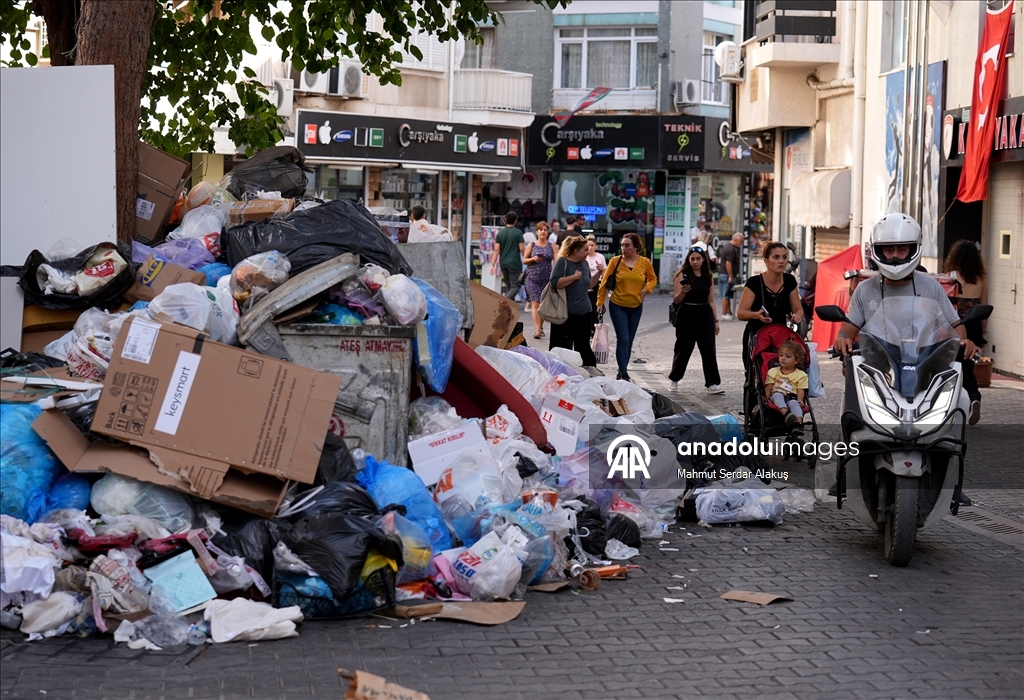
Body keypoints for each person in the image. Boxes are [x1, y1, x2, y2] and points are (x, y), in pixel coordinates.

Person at [833, 214, 979, 505]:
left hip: (925, 365)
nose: (896, 256)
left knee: (961, 400)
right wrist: (843, 337)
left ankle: (949, 479)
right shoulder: (865, 289)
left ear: (914, 250)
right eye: (889, 249)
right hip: (879, 368)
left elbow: (954, 325)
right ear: (878, 250)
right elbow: (850, 325)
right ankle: (844, 471)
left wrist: (964, 339)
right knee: (848, 406)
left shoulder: (931, 286)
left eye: (902, 249)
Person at [597, 233, 658, 382]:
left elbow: (653, 278)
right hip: (618, 305)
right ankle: (622, 372)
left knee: (629, 340)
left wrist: (647, 289)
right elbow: (604, 283)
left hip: (636, 306)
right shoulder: (615, 261)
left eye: (627, 245)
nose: (623, 248)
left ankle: (623, 370)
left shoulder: (645, 262)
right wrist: (600, 302)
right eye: (622, 245)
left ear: (636, 247)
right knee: (623, 339)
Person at [736, 241, 804, 373]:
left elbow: (798, 309)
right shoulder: (754, 282)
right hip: (757, 334)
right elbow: (741, 313)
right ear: (766, 261)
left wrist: (797, 316)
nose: (781, 261)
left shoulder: (789, 281)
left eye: (784, 257)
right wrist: (756, 315)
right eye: (776, 257)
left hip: (781, 334)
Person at [668, 246, 724, 395]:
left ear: (703, 260)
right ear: (688, 260)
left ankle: (712, 383)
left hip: (705, 313)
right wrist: (683, 292)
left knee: (708, 349)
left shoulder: (708, 276)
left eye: (698, 259)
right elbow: (676, 300)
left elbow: (711, 300)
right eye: (692, 259)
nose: (695, 262)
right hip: (687, 312)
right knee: (683, 348)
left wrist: (716, 321)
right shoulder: (682, 275)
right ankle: (675, 378)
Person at [943, 239, 988, 425]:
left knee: (951, 366)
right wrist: (982, 334)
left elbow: (944, 306)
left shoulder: (950, 277)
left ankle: (950, 407)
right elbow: (984, 307)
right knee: (968, 368)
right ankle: (974, 397)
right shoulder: (982, 279)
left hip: (956, 326)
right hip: (975, 325)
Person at [549, 236, 600, 371]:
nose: (588, 252)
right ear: (576, 251)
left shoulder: (584, 264)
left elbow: (588, 284)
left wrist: (599, 273)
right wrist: (573, 277)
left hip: (584, 311)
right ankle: (561, 374)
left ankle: (589, 372)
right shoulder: (562, 262)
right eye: (585, 250)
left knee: (583, 345)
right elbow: (554, 283)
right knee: (562, 346)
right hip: (565, 312)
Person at [766, 339, 808, 432]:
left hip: (791, 397)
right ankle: (786, 414)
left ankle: (798, 424)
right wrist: (766, 396)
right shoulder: (773, 371)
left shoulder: (801, 375)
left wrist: (800, 400)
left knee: (794, 404)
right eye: (781, 355)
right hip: (776, 396)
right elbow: (768, 387)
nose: (783, 358)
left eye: (787, 356)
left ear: (796, 360)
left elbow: (801, 390)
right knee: (778, 395)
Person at [523, 221, 557, 339]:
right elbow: (524, 260)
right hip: (532, 278)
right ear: (537, 232)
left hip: (547, 279)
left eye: (545, 230)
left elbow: (556, 261)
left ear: (548, 232)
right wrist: (533, 259)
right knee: (535, 303)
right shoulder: (532, 245)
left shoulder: (552, 245)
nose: (543, 232)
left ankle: (541, 327)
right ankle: (537, 330)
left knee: (543, 305)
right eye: (540, 229)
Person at [489, 212, 525, 299]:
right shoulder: (518, 233)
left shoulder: (500, 234)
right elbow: (521, 248)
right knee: (515, 286)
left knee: (509, 287)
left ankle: (509, 311)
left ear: (505, 220)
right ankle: (505, 301)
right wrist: (528, 258)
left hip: (503, 263)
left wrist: (492, 265)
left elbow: (496, 249)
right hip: (514, 263)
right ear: (515, 221)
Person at [719, 232, 744, 320]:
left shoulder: (727, 246)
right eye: (740, 241)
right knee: (726, 295)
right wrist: (730, 276)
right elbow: (728, 263)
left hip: (722, 274)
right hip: (726, 275)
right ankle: (724, 313)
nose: (741, 244)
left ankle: (729, 312)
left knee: (727, 294)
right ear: (735, 240)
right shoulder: (731, 249)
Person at [585, 234, 607, 330]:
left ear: (595, 246)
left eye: (592, 245)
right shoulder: (583, 257)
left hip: (597, 285)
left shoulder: (600, 257)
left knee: (595, 309)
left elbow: (605, 271)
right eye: (588, 245)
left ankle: (594, 330)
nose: (590, 248)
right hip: (585, 285)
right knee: (586, 309)